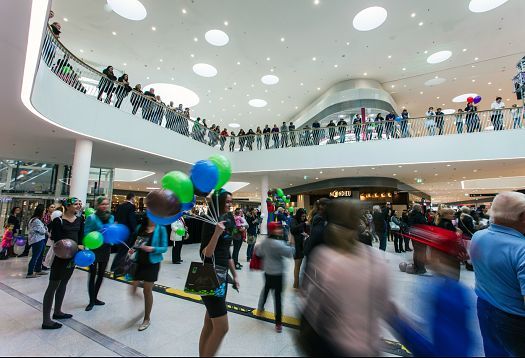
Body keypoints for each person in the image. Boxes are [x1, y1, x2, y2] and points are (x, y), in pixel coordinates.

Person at [299, 198, 392, 356]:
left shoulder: (327, 259)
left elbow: (315, 309)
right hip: (369, 346)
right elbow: (384, 305)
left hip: (336, 345)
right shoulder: (376, 258)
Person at [470, 192, 525, 356]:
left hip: (485, 307)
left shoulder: (478, 236)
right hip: (515, 319)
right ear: (523, 216)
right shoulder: (521, 250)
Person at [199, 190, 239, 357]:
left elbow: (226, 252)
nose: (230, 204)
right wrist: (216, 233)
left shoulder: (228, 219)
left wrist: (235, 275)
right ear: (219, 202)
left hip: (222, 277)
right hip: (210, 278)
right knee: (222, 328)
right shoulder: (210, 222)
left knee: (209, 323)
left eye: (231, 201)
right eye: (227, 201)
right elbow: (205, 254)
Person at [42, 197, 84, 329]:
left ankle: (58, 311)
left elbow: (81, 237)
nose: (78, 206)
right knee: (53, 285)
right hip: (60, 258)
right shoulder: (58, 221)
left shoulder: (80, 220)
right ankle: (46, 320)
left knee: (64, 283)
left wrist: (81, 246)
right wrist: (74, 246)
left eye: (79, 204)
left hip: (72, 258)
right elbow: (58, 240)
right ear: (68, 206)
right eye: (75, 204)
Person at [129, 215, 168, 331]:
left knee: (147, 290)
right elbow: (135, 243)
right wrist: (132, 249)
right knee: (133, 289)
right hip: (139, 262)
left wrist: (153, 249)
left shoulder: (161, 228)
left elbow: (164, 248)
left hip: (153, 263)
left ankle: (147, 318)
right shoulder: (141, 227)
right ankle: (144, 305)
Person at [257, 222, 295, 333]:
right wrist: (292, 242)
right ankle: (278, 323)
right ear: (272, 230)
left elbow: (259, 253)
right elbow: (290, 253)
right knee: (277, 297)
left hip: (268, 272)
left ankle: (260, 309)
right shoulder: (278, 243)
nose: (280, 230)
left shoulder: (264, 242)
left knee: (266, 290)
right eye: (277, 228)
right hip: (278, 274)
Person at [83, 197, 113, 311]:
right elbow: (86, 233)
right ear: (98, 205)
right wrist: (98, 233)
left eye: (106, 204)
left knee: (101, 274)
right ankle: (91, 301)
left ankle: (95, 297)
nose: (105, 206)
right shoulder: (92, 217)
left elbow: (111, 231)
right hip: (94, 248)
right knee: (92, 274)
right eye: (102, 204)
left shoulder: (111, 217)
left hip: (106, 248)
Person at [111, 192, 137, 274]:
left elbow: (116, 218)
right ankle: (117, 267)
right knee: (124, 250)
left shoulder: (120, 206)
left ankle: (115, 266)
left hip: (120, 230)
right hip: (127, 231)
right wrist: (135, 229)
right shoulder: (131, 207)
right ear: (132, 198)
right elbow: (131, 219)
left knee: (121, 250)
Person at [434, 208, 462, 280]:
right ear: (445, 215)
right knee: (452, 274)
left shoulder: (442, 223)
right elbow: (450, 238)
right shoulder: (447, 224)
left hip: (444, 251)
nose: (453, 215)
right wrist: (458, 234)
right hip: (449, 252)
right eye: (451, 214)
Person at [26, 204, 49, 278]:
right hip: (37, 240)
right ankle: (30, 273)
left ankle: (38, 269)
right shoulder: (36, 220)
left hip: (39, 239)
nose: (44, 212)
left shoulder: (36, 220)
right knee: (35, 256)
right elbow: (42, 231)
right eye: (44, 211)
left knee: (40, 256)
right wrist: (45, 229)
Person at [290, 208, 308, 289]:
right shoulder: (294, 220)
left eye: (304, 216)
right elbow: (293, 230)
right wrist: (304, 225)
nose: (303, 218)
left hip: (303, 245)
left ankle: (297, 284)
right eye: (302, 216)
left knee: (300, 266)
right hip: (297, 246)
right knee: (297, 266)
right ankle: (296, 284)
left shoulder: (303, 221)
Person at [407, 204, 428, 274]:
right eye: (420, 208)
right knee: (421, 252)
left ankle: (416, 267)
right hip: (420, 236)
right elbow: (424, 224)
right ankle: (421, 268)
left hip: (414, 235)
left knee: (416, 251)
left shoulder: (410, 215)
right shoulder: (419, 215)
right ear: (418, 209)